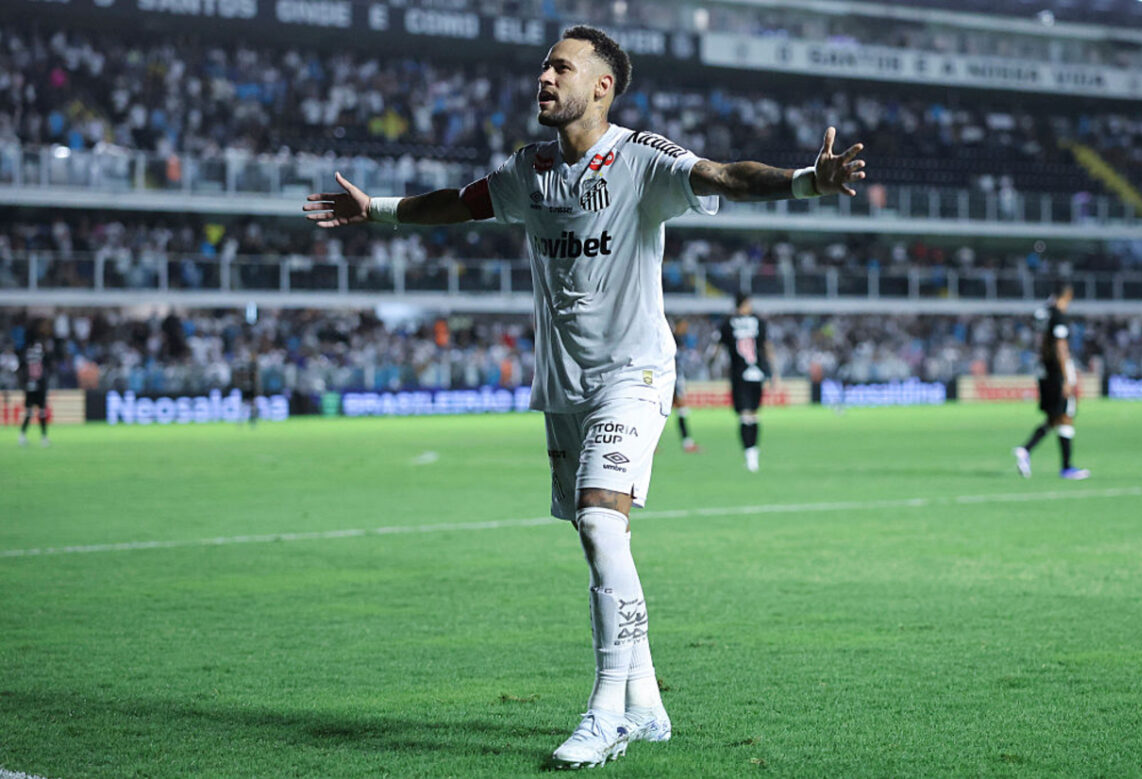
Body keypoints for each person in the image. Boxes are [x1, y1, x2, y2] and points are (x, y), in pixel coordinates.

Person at [304, 25, 865, 768]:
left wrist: (806, 181)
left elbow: (726, 176)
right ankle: (648, 704)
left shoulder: (642, 159)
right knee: (604, 541)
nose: (544, 77)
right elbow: (459, 204)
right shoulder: (529, 170)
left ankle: (605, 714)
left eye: (561, 68)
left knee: (600, 522)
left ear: (601, 87)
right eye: (544, 66)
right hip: (566, 384)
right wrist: (374, 208)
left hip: (634, 374)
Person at [1014, 284, 1090, 480]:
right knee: (1066, 416)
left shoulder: (1044, 314)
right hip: (1057, 373)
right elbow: (1060, 347)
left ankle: (1025, 450)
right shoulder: (1058, 316)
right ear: (1067, 296)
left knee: (1054, 418)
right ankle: (1066, 467)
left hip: (1044, 371)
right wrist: (1067, 377)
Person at [717, 293, 776, 472]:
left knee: (744, 415)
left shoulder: (727, 323)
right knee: (754, 415)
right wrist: (773, 373)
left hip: (739, 374)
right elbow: (766, 346)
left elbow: (717, 348)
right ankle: (753, 455)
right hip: (757, 373)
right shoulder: (758, 321)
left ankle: (749, 455)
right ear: (744, 304)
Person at [672, 319, 700, 452]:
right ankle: (687, 443)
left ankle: (687, 442)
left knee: (681, 409)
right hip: (672, 379)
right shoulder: (672, 339)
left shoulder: (681, 340)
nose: (685, 328)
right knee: (680, 408)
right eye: (683, 326)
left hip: (677, 377)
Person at [18, 341, 50, 447]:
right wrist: (26, 385)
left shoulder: (42, 363)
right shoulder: (27, 364)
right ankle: (23, 435)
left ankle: (43, 437)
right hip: (31, 390)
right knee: (29, 413)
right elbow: (22, 374)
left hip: (39, 390)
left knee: (41, 413)